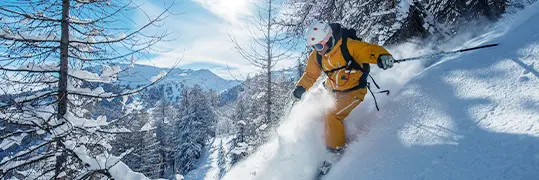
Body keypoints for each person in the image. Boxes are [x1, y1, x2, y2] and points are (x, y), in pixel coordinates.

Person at [292, 21, 395, 152]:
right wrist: (301, 87)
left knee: (332, 115)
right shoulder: (317, 56)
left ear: (328, 38)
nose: (318, 50)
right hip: (331, 91)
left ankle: (334, 151)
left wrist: (382, 56)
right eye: (313, 47)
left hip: (353, 92)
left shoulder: (347, 46)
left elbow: (369, 50)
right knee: (314, 113)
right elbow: (310, 74)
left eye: (318, 45)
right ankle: (313, 147)